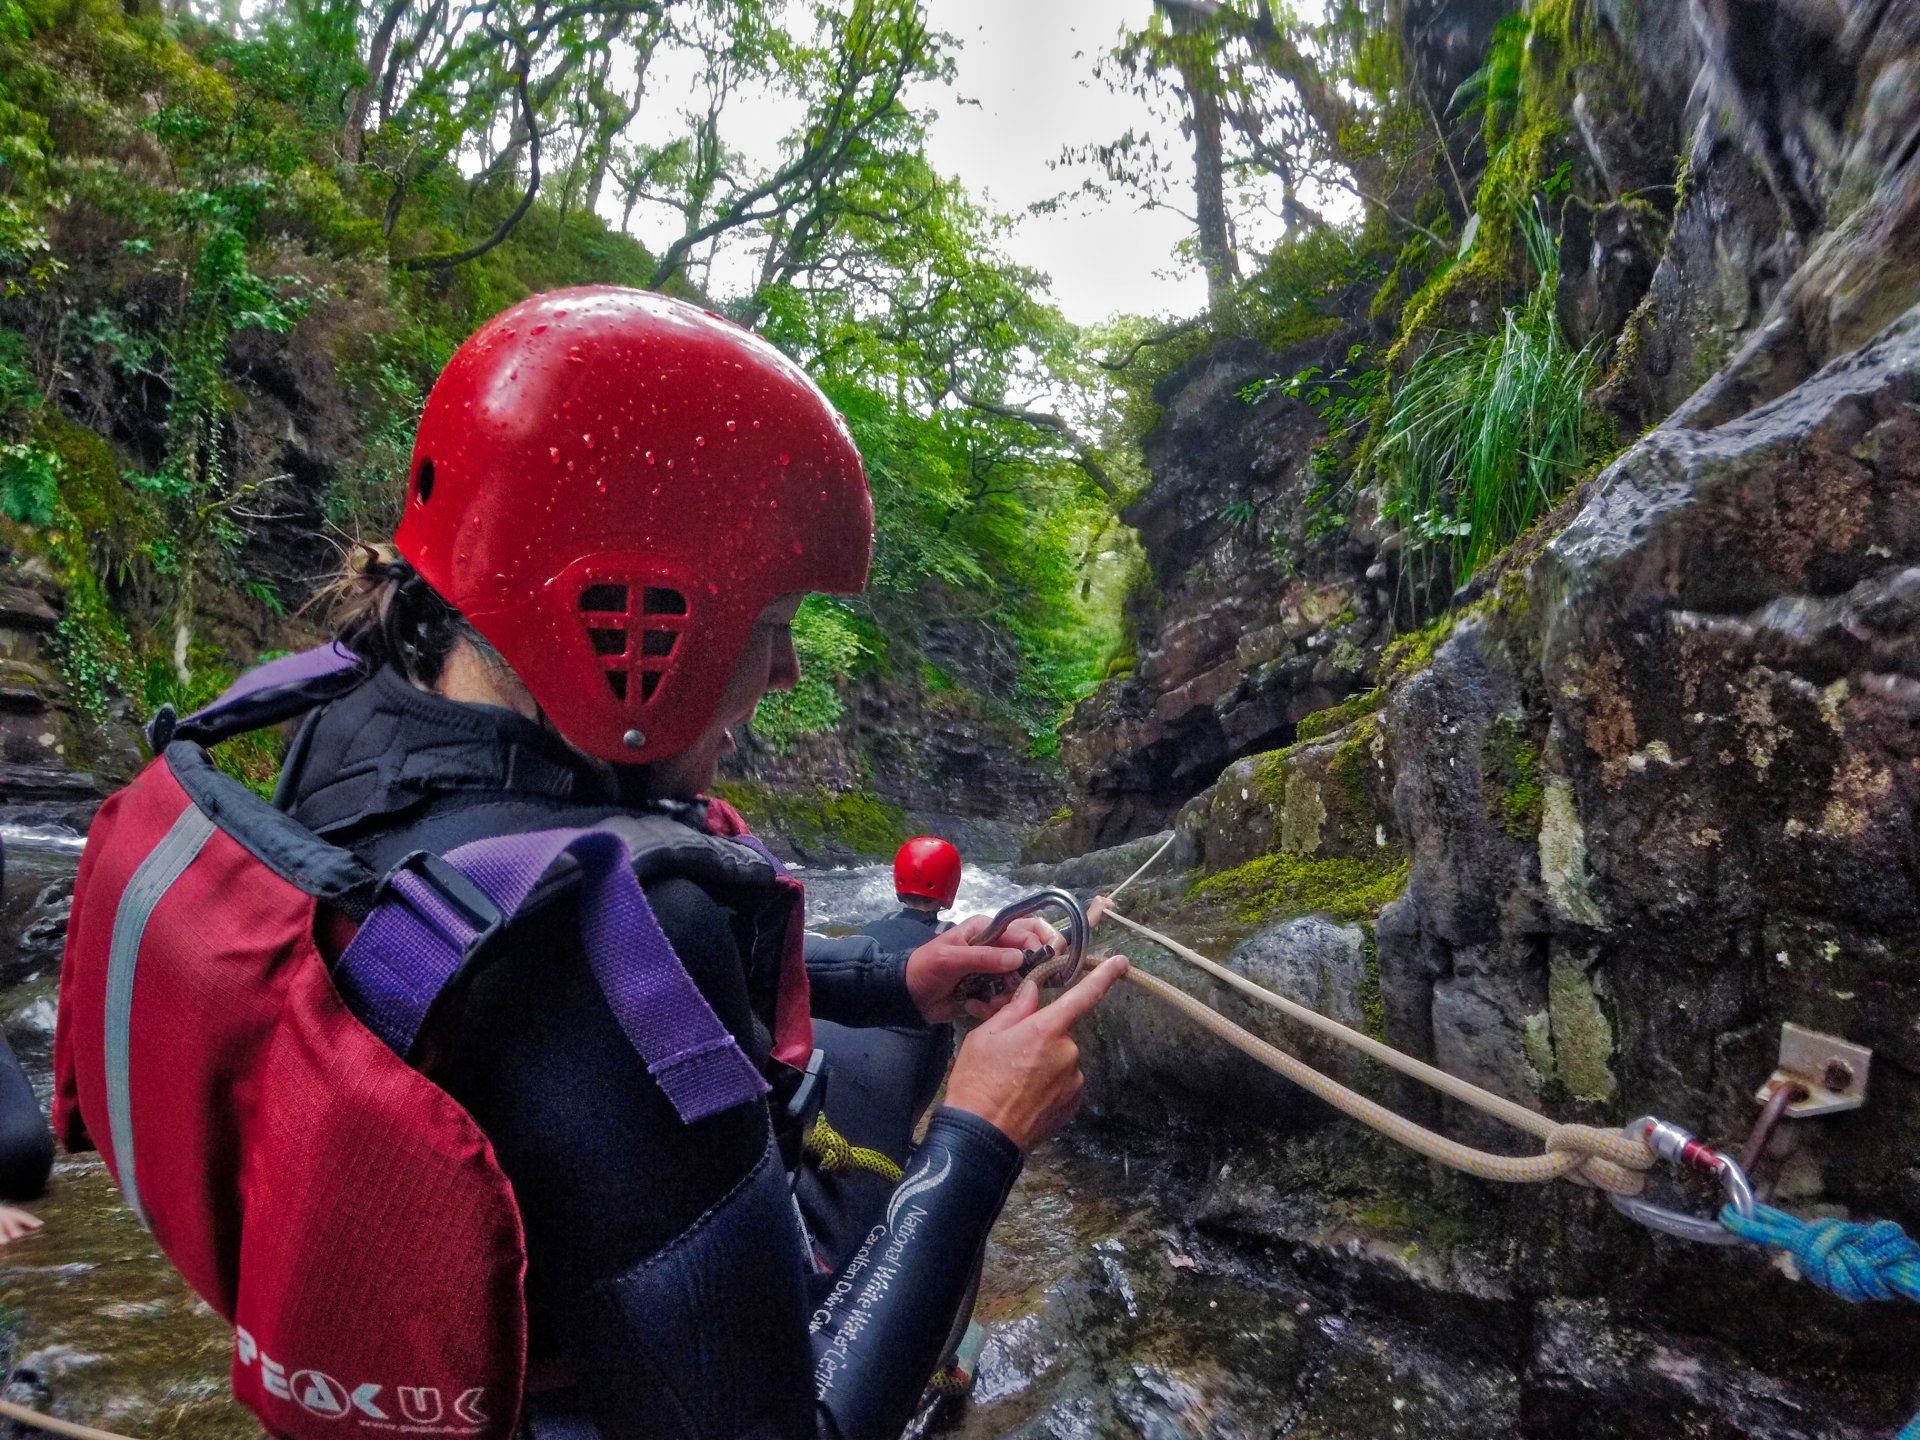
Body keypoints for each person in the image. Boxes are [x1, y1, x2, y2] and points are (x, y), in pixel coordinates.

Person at [56, 286, 1127, 1440]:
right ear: (634, 615)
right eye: (769, 623)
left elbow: (475, 935)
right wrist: (980, 1136)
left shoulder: (350, 719)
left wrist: (886, 978)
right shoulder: (625, 943)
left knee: (895, 988)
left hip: (479, 1312)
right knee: (909, 1096)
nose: (784, 678)